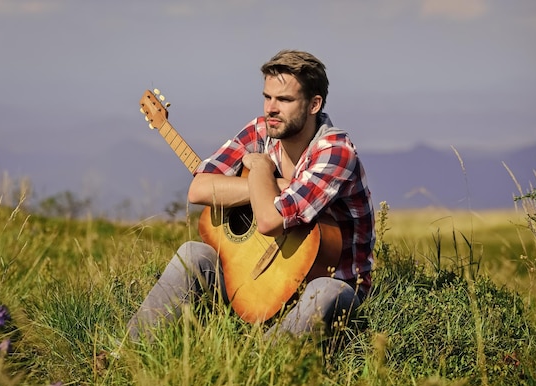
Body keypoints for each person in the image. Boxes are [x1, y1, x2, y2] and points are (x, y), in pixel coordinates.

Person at [127, 49, 375, 342]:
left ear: (314, 104)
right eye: (267, 97)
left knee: (328, 293)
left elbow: (270, 220)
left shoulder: (335, 151)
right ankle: (123, 359)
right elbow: (200, 189)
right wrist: (273, 185)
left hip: (324, 287)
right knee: (193, 254)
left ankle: (259, 370)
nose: (271, 108)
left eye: (284, 100)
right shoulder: (261, 130)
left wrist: (259, 167)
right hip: (254, 277)